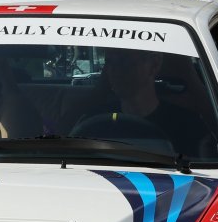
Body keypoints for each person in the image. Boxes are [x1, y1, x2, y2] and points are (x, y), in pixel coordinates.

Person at [81, 46, 209, 157]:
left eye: (124, 61)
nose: (115, 70)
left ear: (154, 65)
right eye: (109, 62)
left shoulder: (186, 125)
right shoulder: (94, 121)